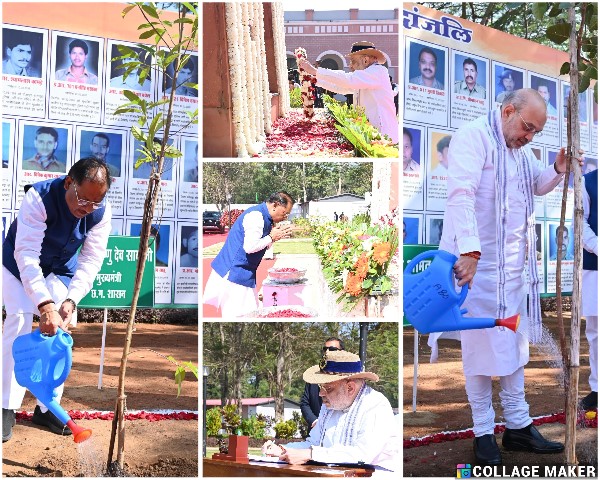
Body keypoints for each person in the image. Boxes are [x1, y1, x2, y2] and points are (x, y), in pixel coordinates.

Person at [431, 88, 582, 466]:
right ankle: (483, 432)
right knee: (479, 349)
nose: (529, 137)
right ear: (508, 111)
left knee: (514, 348)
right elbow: (461, 195)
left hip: (514, 271)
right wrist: (469, 250)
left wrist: (558, 169)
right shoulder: (473, 137)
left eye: (534, 133)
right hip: (476, 268)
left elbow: (536, 185)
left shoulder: (521, 151)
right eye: (527, 128)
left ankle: (518, 425)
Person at [2, 157, 112, 442]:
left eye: (95, 202)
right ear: (68, 183)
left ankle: (47, 408)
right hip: (17, 267)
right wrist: (44, 304)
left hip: (60, 270)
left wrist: (70, 301)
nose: (86, 208)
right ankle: (5, 406)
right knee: (19, 321)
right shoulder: (38, 198)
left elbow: (91, 260)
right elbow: (26, 255)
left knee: (59, 332)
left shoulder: (100, 212)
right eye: (82, 199)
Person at [262, 350, 397, 471]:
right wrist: (283, 449)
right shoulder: (330, 406)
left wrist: (310, 454)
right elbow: (313, 443)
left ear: (350, 388)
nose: (321, 393)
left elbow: (362, 455)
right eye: (321, 387)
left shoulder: (376, 406)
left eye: (328, 388)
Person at [203, 192, 294, 317]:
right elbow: (250, 247)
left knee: (246, 313)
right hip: (234, 273)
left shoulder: (263, 217)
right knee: (238, 314)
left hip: (242, 272)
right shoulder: (256, 216)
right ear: (275, 205)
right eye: (285, 213)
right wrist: (271, 237)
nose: (285, 217)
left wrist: (272, 238)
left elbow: (260, 243)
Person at [298, 41, 398, 143]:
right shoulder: (363, 77)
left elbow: (348, 80)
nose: (350, 66)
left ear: (365, 60)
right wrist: (316, 80)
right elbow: (341, 87)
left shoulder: (378, 71)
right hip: (369, 134)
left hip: (384, 135)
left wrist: (315, 71)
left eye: (353, 61)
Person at [581, 168, 598, 410]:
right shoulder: (589, 181)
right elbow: (579, 220)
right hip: (596, 266)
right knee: (596, 333)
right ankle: (597, 388)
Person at [300, 337, 345, 429]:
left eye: (332, 349)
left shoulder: (348, 376)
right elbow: (304, 403)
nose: (327, 352)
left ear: (342, 352)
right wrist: (314, 421)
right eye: (325, 349)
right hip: (314, 433)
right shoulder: (314, 376)